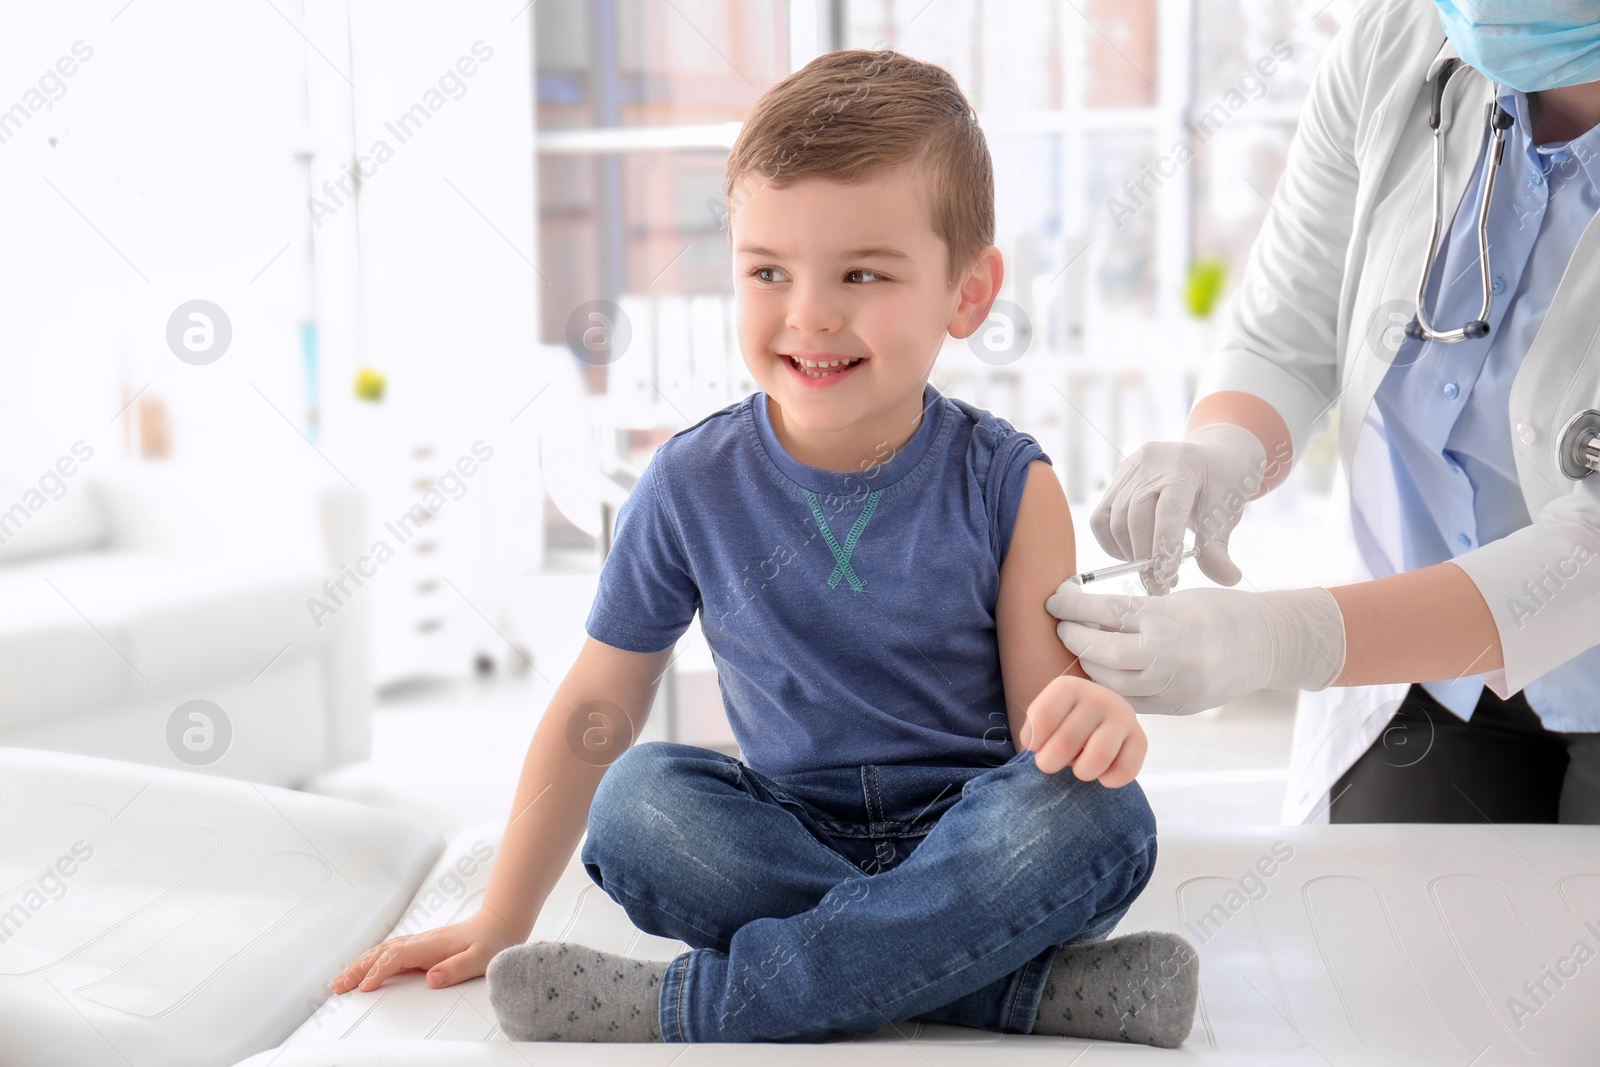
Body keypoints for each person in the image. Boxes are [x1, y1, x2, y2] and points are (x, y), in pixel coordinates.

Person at [327, 50, 1201, 1046]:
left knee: (1093, 813)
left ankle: (683, 1004)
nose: (810, 313)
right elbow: (594, 706)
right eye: (767, 272)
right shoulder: (689, 483)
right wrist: (498, 915)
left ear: (967, 293)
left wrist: (1088, 716)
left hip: (975, 832)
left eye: (862, 273)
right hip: (784, 836)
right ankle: (1000, 985)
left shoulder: (1010, 482)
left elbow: (1045, 726)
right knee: (639, 805)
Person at [1048, 0, 1600, 825]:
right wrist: (1222, 451)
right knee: (1395, 928)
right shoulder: (1397, 43)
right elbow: (1287, 336)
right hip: (1425, 669)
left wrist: (1283, 638)